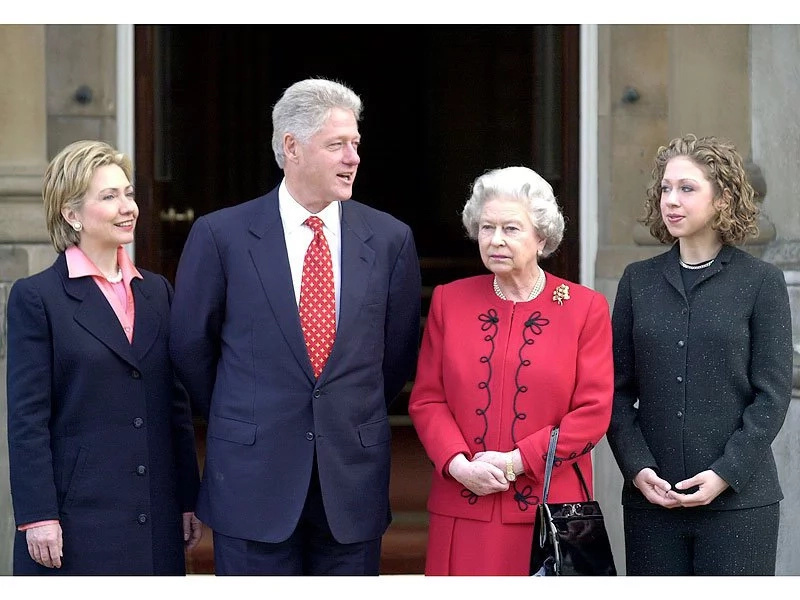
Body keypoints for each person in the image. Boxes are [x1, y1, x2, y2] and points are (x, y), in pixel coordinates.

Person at [168, 77, 422, 576]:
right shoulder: (221, 235)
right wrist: (246, 411)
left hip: (351, 483)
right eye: (337, 145)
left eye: (355, 145)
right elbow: (190, 348)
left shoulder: (391, 239)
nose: (353, 158)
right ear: (292, 147)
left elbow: (395, 357)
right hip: (251, 481)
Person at [6, 140, 202, 575]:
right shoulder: (37, 298)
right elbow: (27, 419)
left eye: (128, 193)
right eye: (109, 196)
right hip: (77, 522)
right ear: (71, 214)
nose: (127, 206)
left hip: (155, 517)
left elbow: (175, 408)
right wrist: (38, 516)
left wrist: (188, 499)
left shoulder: (157, 292)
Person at [407, 165, 614, 575]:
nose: (495, 240)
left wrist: (516, 462)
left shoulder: (583, 308)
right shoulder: (450, 301)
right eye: (486, 228)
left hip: (548, 515)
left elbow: (593, 412)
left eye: (511, 228)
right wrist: (458, 465)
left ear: (542, 236)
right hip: (462, 507)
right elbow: (428, 398)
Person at [606, 134, 793, 576]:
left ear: (723, 198)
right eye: (666, 188)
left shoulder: (761, 282)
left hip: (740, 504)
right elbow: (614, 390)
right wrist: (636, 468)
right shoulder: (638, 281)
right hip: (653, 503)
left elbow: (772, 394)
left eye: (687, 188)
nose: (671, 200)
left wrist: (726, 473)